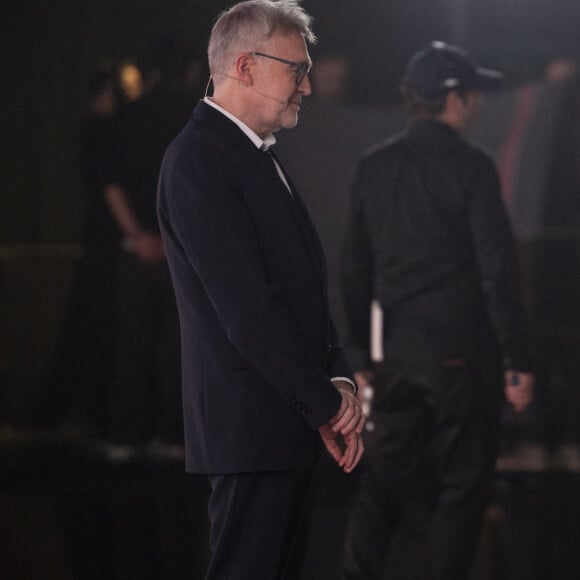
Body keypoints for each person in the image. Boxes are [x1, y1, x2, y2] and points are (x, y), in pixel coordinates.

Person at [156, 1, 364, 578]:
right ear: (245, 67)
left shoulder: (251, 154)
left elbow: (302, 287)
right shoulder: (198, 159)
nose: (307, 87)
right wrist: (327, 404)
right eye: (296, 70)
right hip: (249, 431)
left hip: (284, 425)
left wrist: (339, 377)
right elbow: (248, 312)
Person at [340, 41, 534, 580]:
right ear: (457, 98)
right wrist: (518, 360)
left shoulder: (373, 167)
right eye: (474, 95)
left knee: (381, 484)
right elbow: (499, 270)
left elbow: (354, 268)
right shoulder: (471, 166)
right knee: (462, 487)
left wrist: (358, 352)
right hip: (465, 357)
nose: (476, 105)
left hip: (398, 355)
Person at [103, 37, 200, 458]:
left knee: (132, 344)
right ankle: (175, 435)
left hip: (136, 249)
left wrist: (137, 236)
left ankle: (126, 434)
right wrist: (173, 240)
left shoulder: (127, 116)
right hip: (184, 252)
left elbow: (112, 184)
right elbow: (203, 189)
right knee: (181, 346)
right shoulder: (197, 118)